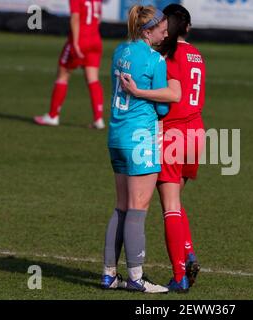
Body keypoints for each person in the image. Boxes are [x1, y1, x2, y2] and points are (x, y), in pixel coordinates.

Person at [120, 4, 206, 293]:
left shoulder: (168, 54)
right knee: (176, 202)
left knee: (169, 205)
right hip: (197, 132)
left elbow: (170, 95)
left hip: (174, 132)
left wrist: (138, 93)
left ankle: (180, 274)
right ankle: (188, 250)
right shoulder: (197, 55)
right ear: (189, 28)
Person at [101, 5, 174, 294]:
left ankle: (108, 274)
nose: (166, 32)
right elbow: (164, 107)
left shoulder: (119, 50)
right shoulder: (155, 60)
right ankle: (135, 277)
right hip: (140, 137)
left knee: (121, 206)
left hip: (116, 135)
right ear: (147, 31)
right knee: (138, 208)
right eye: (162, 29)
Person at [34, 0, 105, 129]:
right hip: (95, 40)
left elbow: (75, 18)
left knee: (62, 76)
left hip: (81, 39)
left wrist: (76, 43)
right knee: (93, 79)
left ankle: (53, 116)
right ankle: (98, 119)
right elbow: (99, 18)